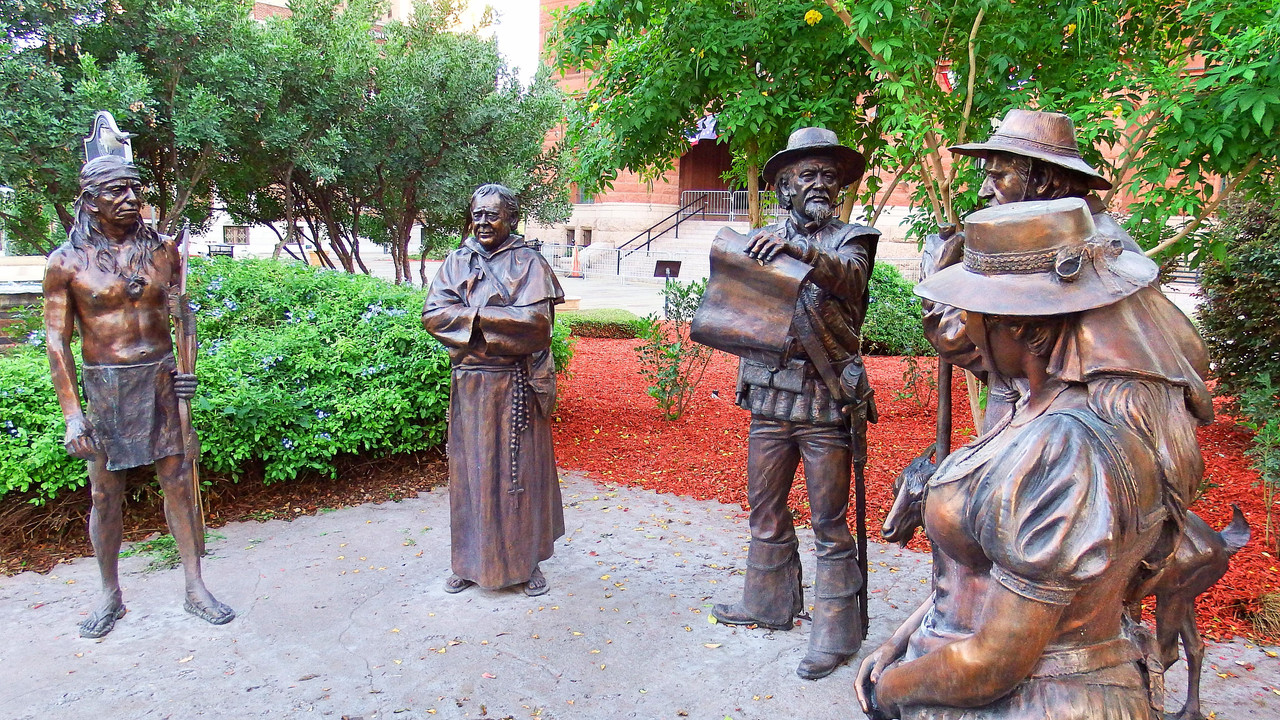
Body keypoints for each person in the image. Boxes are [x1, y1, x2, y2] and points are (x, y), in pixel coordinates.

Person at [856, 197, 1213, 720]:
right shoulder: (1040, 408)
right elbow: (978, 579)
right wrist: (907, 643)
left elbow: (991, 664)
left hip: (1038, 702)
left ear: (1020, 325)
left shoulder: (1066, 449)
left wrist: (892, 689)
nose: (960, 328)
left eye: (969, 309)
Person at [709, 127, 879, 680]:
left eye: (829, 176)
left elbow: (849, 282)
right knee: (765, 507)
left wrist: (798, 250)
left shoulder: (854, 238)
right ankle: (768, 602)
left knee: (830, 522)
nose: (820, 184)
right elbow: (738, 313)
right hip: (769, 396)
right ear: (783, 188)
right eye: (807, 175)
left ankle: (835, 632)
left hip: (826, 400)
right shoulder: (757, 239)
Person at [43, 155, 234, 638]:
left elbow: (182, 316)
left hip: (162, 381)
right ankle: (110, 595)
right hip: (106, 385)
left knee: (179, 482)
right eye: (116, 192)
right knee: (105, 494)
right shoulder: (66, 263)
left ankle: (194, 586)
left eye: (134, 189)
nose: (130, 199)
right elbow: (56, 341)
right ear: (89, 200)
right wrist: (72, 415)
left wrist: (188, 369)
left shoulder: (162, 252)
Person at [922, 109, 1206, 431]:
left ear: (1041, 181)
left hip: (1052, 438)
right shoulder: (1063, 240)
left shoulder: (1093, 257)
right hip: (1036, 429)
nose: (985, 190)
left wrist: (937, 284)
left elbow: (972, 346)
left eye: (998, 176)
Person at [422, 184, 565, 597]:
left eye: (493, 215)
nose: (484, 222)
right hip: (469, 384)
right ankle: (468, 562)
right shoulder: (456, 261)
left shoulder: (529, 263)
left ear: (511, 218)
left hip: (515, 385)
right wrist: (495, 316)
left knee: (518, 476)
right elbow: (433, 315)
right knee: (472, 475)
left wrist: (470, 319)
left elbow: (536, 327)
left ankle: (526, 562)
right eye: (478, 214)